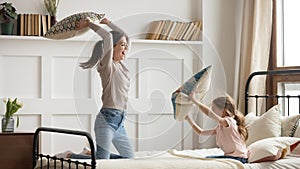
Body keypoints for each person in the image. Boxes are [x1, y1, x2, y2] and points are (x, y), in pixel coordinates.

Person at [56, 17, 134, 159]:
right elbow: (107, 37)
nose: (126, 48)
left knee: (129, 159)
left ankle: (89, 153)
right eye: (122, 45)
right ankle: (69, 155)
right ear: (113, 47)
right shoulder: (107, 66)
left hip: (120, 122)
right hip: (106, 120)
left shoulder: (122, 65)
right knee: (102, 161)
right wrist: (89, 24)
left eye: (126, 46)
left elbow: (127, 37)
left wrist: (109, 23)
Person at [185, 92, 248, 164]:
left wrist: (195, 101)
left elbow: (209, 114)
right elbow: (200, 132)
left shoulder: (229, 121)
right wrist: (188, 119)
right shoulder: (221, 127)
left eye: (214, 109)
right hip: (232, 157)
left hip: (239, 158)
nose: (212, 111)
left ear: (224, 111)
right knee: (206, 160)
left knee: (207, 162)